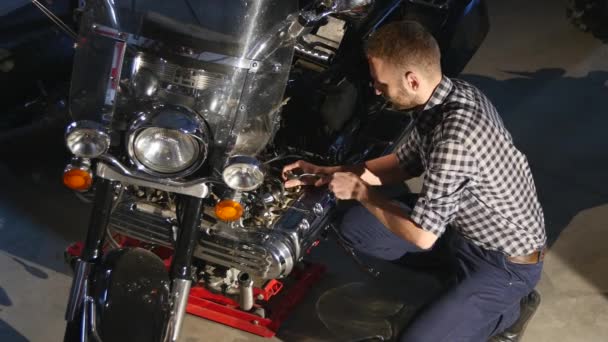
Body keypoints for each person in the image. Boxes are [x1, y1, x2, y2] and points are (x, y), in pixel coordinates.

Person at [282, 21, 546, 341]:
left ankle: (506, 312)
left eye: (381, 84)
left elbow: (422, 237)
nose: (375, 90)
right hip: (459, 231)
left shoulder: (456, 136)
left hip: (504, 264)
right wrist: (332, 173)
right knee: (357, 227)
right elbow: (403, 164)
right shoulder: (447, 97)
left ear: (411, 80)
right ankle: (456, 286)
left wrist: (363, 193)